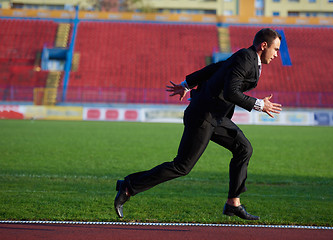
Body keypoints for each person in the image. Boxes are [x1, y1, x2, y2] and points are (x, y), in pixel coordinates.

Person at [114, 28, 282, 220]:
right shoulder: (246, 58)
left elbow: (216, 67)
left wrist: (187, 83)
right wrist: (259, 104)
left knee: (244, 149)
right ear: (264, 45)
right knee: (181, 166)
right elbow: (231, 93)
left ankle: (233, 204)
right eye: (275, 49)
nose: (277, 54)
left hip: (216, 117)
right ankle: (128, 187)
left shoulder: (247, 57)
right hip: (203, 116)